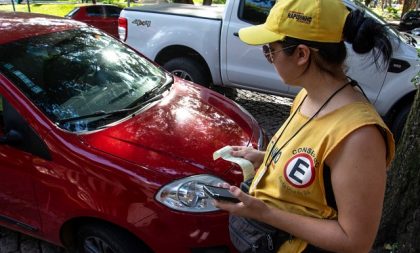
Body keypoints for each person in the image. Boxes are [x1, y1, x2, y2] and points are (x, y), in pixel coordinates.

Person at [214, 0, 395, 252]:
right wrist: (267, 158)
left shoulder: (359, 137)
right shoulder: (305, 97)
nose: (268, 57)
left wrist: (266, 214)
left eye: (269, 50)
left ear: (301, 54)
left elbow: (355, 241)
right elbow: (318, 170)